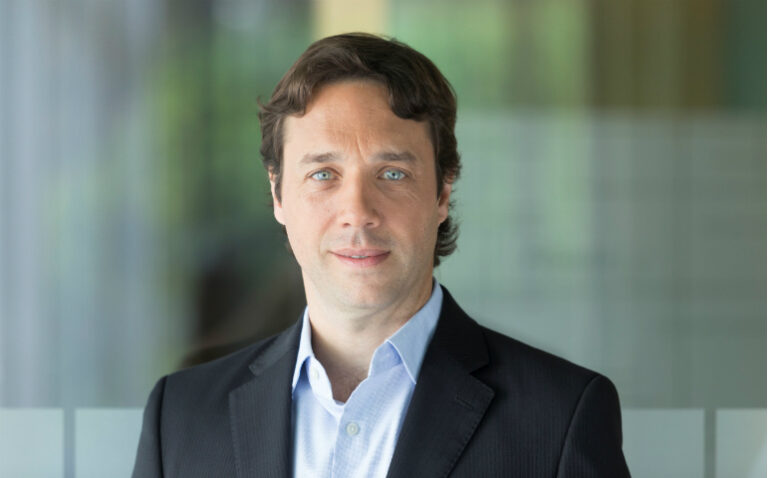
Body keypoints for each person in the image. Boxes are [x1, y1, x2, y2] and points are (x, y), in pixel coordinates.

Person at [132, 33, 630, 478]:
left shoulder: (559, 419)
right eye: (323, 174)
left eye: (392, 174)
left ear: (442, 193)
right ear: (279, 194)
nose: (358, 212)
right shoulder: (181, 418)